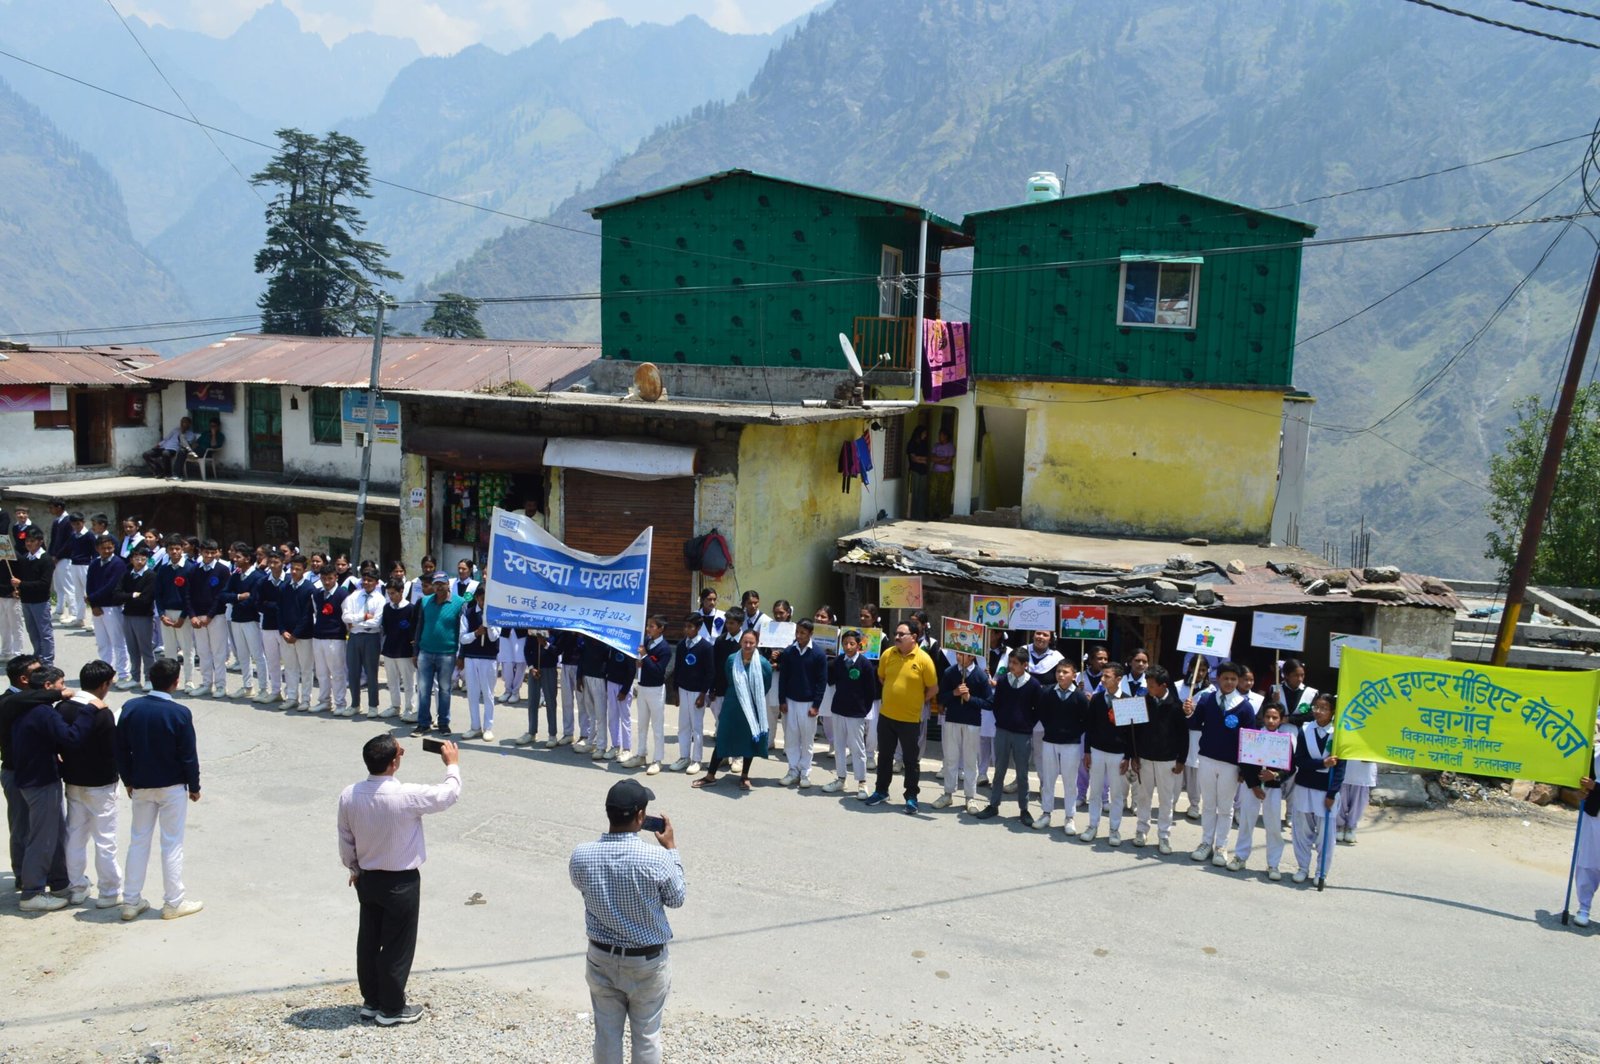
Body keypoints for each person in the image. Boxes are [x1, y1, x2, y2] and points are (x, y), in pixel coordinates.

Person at [337, 734, 462, 1026]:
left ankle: (372, 1000)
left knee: (369, 940)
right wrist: (452, 764)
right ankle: (392, 1008)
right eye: (400, 752)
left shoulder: (350, 794)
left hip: (367, 877)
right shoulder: (406, 795)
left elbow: (345, 838)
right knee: (397, 945)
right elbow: (449, 794)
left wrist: (353, 868)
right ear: (394, 763)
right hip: (401, 881)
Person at [569, 779, 684, 1064]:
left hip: (601, 958)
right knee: (646, 1035)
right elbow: (676, 898)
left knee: (607, 1034)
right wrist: (672, 849)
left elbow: (580, 885)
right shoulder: (657, 858)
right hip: (647, 963)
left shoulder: (581, 855)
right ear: (641, 816)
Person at [115, 656, 203, 920]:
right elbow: (188, 755)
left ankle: (130, 901)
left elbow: (120, 749)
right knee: (172, 843)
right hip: (172, 786)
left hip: (141, 785)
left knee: (138, 841)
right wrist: (194, 786)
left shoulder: (131, 707)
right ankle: (173, 902)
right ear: (175, 682)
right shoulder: (179, 713)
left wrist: (127, 780)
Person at [11, 664, 98, 910]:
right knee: (43, 838)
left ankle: (60, 884)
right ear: (48, 686)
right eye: (61, 684)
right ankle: (32, 893)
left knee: (54, 834)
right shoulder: (43, 713)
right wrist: (90, 710)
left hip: (31, 779)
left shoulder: (24, 706)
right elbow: (71, 737)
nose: (66, 689)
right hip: (40, 782)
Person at [57, 660, 123, 907]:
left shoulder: (63, 708)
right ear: (103, 685)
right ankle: (109, 892)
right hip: (101, 785)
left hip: (73, 781)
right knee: (105, 840)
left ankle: (76, 888)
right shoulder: (102, 713)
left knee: (75, 836)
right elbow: (111, 750)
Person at [1184, 660, 1255, 867]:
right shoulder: (1207, 699)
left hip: (1230, 765)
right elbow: (1194, 724)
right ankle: (1206, 842)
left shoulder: (1245, 707)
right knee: (1208, 804)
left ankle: (1221, 846)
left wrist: (1244, 769)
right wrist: (1188, 712)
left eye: (1233, 679)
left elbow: (1249, 742)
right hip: (1206, 759)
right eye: (1225, 678)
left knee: (1225, 807)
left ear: (1238, 681)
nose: (1229, 682)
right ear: (1218, 679)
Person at [866, 619, 938, 812]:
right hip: (886, 716)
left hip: (910, 719)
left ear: (913, 637)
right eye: (896, 633)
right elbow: (882, 677)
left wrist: (917, 700)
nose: (896, 637)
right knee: (884, 756)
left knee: (910, 760)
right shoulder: (888, 654)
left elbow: (933, 688)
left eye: (901, 634)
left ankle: (911, 796)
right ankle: (881, 791)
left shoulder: (924, 660)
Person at [692, 628, 770, 791]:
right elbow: (729, 678)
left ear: (757, 644)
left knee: (749, 739)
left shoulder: (763, 664)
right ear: (741, 642)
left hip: (752, 708)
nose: (748, 645)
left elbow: (766, 685)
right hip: (732, 704)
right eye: (745, 642)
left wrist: (750, 697)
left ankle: (744, 776)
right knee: (723, 736)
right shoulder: (732, 659)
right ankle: (710, 775)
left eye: (751, 643)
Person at [972, 649, 1040, 824]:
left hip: (1022, 734)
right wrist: (1002, 719)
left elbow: (1037, 710)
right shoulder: (1003, 681)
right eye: (1010, 662)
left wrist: (1027, 724)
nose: (1011, 666)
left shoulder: (1033, 684)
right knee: (999, 770)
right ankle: (993, 804)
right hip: (1002, 731)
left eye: (1015, 663)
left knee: (1022, 773)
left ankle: (1024, 809)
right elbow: (997, 704)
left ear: (1025, 665)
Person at [1128, 665, 1187, 853]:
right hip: (1145, 757)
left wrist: (1181, 760)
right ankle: (1141, 830)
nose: (1148, 688)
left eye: (1151, 685)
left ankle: (1164, 835)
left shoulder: (1176, 705)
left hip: (1167, 760)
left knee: (1166, 799)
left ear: (1163, 686)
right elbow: (1134, 731)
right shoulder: (1142, 702)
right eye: (1147, 684)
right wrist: (1134, 756)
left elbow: (1183, 735)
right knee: (1143, 796)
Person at [1235, 702, 1296, 879]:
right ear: (1262, 717)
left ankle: (1273, 864)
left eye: (1275, 717)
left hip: (1273, 788)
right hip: (1252, 787)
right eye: (1268, 717)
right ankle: (1240, 857)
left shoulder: (1285, 740)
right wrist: (1254, 786)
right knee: (1246, 821)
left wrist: (1275, 775)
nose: (1270, 720)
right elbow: (1245, 762)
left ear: (1281, 720)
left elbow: (1290, 767)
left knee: (1273, 825)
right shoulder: (1253, 736)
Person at [1290, 694, 1344, 883]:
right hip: (1304, 786)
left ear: (1333, 711)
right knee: (1302, 831)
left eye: (1324, 708)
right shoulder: (1305, 730)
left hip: (1326, 790)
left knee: (1325, 835)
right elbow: (1299, 760)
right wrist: (1322, 763)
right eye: (1316, 707)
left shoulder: (1338, 733)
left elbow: (1341, 768)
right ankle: (1302, 867)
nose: (1319, 712)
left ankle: (1321, 872)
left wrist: (1332, 793)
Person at [823, 628, 876, 797]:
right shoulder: (838, 662)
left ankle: (862, 783)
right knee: (839, 746)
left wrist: (863, 710)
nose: (848, 647)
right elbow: (830, 679)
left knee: (857, 748)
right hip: (838, 709)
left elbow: (870, 691)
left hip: (856, 713)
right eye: (845, 643)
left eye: (852, 643)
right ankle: (841, 779)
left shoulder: (865, 664)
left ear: (859, 645)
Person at [1080, 663, 1129, 845]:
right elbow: (1089, 726)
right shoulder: (1097, 699)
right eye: (1102, 675)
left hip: (1118, 754)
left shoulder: (1127, 700)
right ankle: (1092, 825)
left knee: (1116, 794)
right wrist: (1087, 751)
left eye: (1107, 676)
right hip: (1097, 751)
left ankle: (1114, 829)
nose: (1102, 679)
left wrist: (1128, 756)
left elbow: (1132, 732)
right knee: (1095, 791)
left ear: (1118, 679)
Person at [1034, 661, 1087, 832]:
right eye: (1058, 672)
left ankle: (1069, 817)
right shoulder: (1047, 692)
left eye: (1065, 672)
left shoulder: (1080, 696)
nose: (1061, 675)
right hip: (1050, 741)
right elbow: (1042, 713)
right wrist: (1051, 728)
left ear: (1074, 675)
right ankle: (1046, 813)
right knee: (1048, 779)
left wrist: (1072, 733)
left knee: (1070, 782)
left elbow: (1085, 720)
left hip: (1071, 744)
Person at [935, 650, 991, 810]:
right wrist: (954, 693)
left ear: (972, 656)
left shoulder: (981, 676)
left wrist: (969, 698)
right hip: (952, 720)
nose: (958, 657)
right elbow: (940, 697)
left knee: (970, 760)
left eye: (962, 654)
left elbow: (989, 703)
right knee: (950, 758)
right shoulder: (949, 672)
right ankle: (947, 794)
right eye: (957, 654)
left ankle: (970, 797)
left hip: (972, 722)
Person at [777, 618, 827, 788]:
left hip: (808, 704)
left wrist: (816, 705)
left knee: (807, 740)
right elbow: (783, 678)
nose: (799, 636)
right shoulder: (789, 652)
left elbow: (821, 682)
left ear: (811, 634)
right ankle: (793, 771)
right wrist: (782, 700)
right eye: (797, 632)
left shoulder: (818, 654)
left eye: (803, 633)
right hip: (790, 701)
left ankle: (805, 772)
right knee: (791, 738)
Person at [628, 617, 673, 775]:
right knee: (642, 724)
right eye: (648, 625)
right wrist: (640, 662)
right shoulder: (646, 642)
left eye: (652, 626)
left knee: (657, 726)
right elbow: (645, 663)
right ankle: (641, 754)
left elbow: (658, 671)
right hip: (642, 687)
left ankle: (657, 760)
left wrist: (645, 657)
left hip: (656, 690)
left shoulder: (665, 648)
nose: (648, 629)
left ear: (661, 629)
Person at [668, 615, 713, 773]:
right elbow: (678, 668)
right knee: (683, 726)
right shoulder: (682, 645)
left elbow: (709, 673)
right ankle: (684, 757)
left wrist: (703, 694)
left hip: (697, 692)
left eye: (690, 627)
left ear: (698, 628)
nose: (687, 630)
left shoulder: (706, 647)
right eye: (685, 626)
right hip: (683, 689)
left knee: (696, 727)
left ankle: (696, 760)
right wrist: (676, 691)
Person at [456, 585, 500, 741]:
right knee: (473, 693)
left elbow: (494, 637)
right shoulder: (468, 614)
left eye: (487, 600)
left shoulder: (495, 614)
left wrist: (489, 625)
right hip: (471, 657)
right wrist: (476, 633)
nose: (484, 603)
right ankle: (475, 726)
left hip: (489, 659)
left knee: (488, 693)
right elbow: (463, 638)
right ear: (477, 598)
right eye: (482, 599)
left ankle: (488, 727)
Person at [343, 569, 386, 717]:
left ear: (376, 582)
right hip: (354, 637)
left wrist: (355, 623)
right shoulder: (354, 596)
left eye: (370, 580)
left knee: (371, 672)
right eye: (364, 580)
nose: (366, 583)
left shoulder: (380, 599)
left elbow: (376, 622)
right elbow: (346, 617)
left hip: (371, 638)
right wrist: (363, 617)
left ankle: (373, 705)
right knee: (353, 672)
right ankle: (355, 704)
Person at [311, 564, 352, 715]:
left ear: (336, 577)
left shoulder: (343, 595)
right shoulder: (317, 594)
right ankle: (324, 701)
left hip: (335, 638)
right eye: (323, 579)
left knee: (337, 673)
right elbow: (316, 613)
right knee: (321, 672)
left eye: (330, 578)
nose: (327, 582)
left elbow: (346, 618)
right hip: (318, 637)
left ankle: (340, 703)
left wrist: (346, 635)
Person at [280, 554, 318, 710]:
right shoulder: (285, 587)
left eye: (298, 569)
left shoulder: (309, 589)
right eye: (292, 569)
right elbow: (279, 610)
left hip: (304, 635)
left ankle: (306, 699)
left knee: (306, 668)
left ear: (304, 570)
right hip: (286, 635)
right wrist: (283, 630)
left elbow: (308, 615)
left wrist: (296, 634)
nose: (294, 572)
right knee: (290, 667)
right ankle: (291, 697)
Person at [14, 528, 56, 665]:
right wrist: (19, 590)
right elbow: (23, 578)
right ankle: (38, 655)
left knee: (44, 632)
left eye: (32, 541)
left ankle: (47, 660)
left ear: (40, 542)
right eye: (27, 541)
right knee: (32, 631)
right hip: (26, 600)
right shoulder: (26, 558)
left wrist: (21, 584)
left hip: (40, 601)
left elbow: (44, 584)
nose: (28, 544)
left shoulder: (46, 559)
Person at [379, 579, 415, 720]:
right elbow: (386, 628)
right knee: (392, 681)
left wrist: (413, 650)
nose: (391, 596)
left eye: (393, 593)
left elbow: (413, 631)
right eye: (389, 593)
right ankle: (395, 706)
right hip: (390, 649)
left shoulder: (410, 608)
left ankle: (409, 708)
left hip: (405, 651)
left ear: (401, 591)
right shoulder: (387, 608)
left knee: (408, 682)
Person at [1574, 746, 1600, 926]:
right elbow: (1584, 781)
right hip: (1594, 814)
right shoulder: (1594, 752)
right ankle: (1584, 907)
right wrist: (1582, 791)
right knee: (1588, 861)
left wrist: (1595, 787)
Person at [1337, 758, 1378, 844]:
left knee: (1358, 800)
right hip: (1344, 762)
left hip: (1363, 767)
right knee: (1341, 796)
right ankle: (1339, 826)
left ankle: (1351, 827)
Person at [905, 424, 931, 519]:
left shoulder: (924, 444)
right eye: (924, 433)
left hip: (923, 472)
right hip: (914, 471)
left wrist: (920, 459)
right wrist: (922, 460)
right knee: (913, 493)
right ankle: (912, 515)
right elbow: (913, 458)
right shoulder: (912, 443)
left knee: (922, 494)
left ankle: (920, 515)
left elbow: (927, 458)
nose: (925, 435)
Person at [929, 428, 956, 518]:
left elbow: (949, 462)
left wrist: (937, 460)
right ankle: (932, 513)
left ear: (945, 436)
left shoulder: (950, 447)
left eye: (940, 435)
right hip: (935, 472)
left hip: (946, 473)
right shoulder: (936, 446)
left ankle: (943, 514)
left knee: (945, 493)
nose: (939, 437)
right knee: (933, 493)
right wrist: (942, 459)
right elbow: (932, 458)